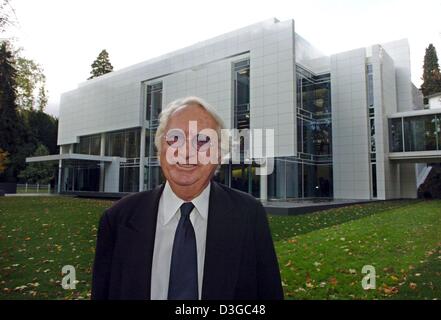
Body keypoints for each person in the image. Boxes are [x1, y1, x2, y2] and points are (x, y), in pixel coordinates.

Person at [91, 96, 283, 300]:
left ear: (219, 155)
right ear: (160, 150)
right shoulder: (117, 219)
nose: (186, 151)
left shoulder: (249, 216)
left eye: (202, 141)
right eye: (175, 138)